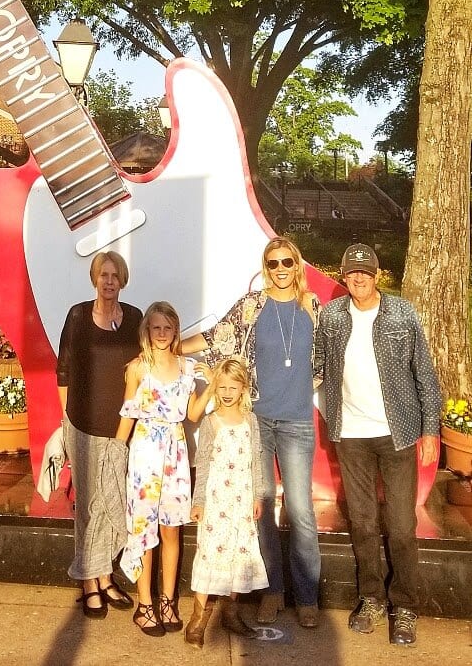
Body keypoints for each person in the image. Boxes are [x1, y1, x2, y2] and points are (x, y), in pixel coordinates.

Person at [182, 236, 321, 628]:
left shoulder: (312, 308)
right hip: (258, 421)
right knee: (260, 510)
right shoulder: (252, 306)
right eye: (273, 263)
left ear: (298, 265)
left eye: (287, 263)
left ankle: (308, 596)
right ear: (266, 266)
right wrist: (170, 345)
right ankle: (272, 592)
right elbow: (215, 339)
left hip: (296, 423)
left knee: (301, 510)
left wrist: (305, 385)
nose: (280, 270)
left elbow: (327, 355)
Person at [314, 243, 441, 647]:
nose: (358, 279)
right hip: (351, 434)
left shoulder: (402, 312)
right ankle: (371, 598)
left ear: (378, 275)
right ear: (344, 275)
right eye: (351, 273)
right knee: (364, 522)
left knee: (402, 526)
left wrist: (431, 429)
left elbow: (424, 371)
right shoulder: (332, 316)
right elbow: (316, 363)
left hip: (397, 431)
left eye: (365, 273)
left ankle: (405, 606)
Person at [116, 302, 211, 637]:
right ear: (147, 331)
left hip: (175, 452)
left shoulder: (187, 368)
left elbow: (194, 415)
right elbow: (128, 413)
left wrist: (211, 383)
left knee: (172, 529)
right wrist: (116, 453)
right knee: (143, 530)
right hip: (144, 452)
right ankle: (145, 604)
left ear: (175, 331)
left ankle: (168, 600)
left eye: (167, 328)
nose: (161, 333)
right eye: (155, 327)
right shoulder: (139, 368)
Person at [56, 250, 142, 620]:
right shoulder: (77, 316)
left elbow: (143, 369)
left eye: (114, 275)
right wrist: (65, 420)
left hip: (120, 427)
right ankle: (91, 582)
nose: (109, 281)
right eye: (103, 275)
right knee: (88, 509)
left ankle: (105, 574)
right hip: (83, 425)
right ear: (95, 278)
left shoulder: (135, 318)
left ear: (122, 280)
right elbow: (63, 371)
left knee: (112, 506)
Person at [186, 358, 269, 646]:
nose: (227, 392)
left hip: (242, 500)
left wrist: (258, 495)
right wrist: (199, 502)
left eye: (233, 387)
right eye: (221, 387)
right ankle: (198, 617)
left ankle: (231, 613)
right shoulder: (211, 422)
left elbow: (257, 460)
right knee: (211, 553)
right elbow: (204, 462)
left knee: (238, 553)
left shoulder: (251, 421)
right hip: (217, 501)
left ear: (244, 389)